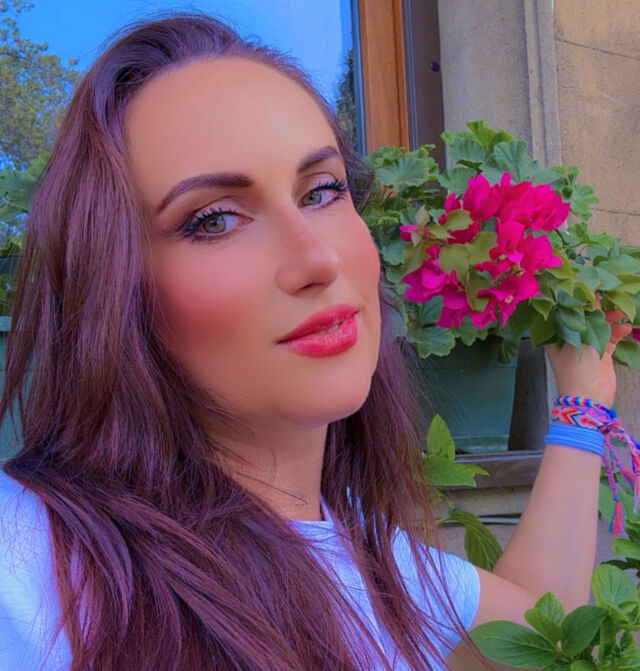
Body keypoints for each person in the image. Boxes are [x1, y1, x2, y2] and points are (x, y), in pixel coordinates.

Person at [0, 13, 632, 671]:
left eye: (322, 191)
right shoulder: (27, 564)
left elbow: (537, 630)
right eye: (213, 220)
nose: (317, 259)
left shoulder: (378, 564)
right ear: (112, 289)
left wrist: (584, 398)